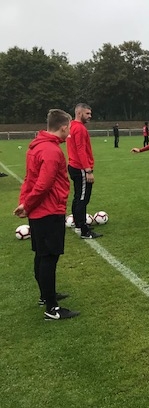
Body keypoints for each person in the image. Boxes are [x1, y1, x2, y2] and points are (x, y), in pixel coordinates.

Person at [14, 109, 80, 320]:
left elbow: (29, 179)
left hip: (39, 212)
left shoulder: (37, 146)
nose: (69, 131)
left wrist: (24, 203)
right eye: (69, 128)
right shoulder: (51, 151)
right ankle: (52, 309)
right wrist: (28, 204)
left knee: (42, 255)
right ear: (63, 127)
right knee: (49, 258)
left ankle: (46, 295)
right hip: (49, 211)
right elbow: (43, 184)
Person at [67, 103, 102, 239]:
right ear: (79, 113)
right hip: (80, 168)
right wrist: (88, 170)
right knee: (82, 198)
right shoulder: (80, 128)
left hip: (73, 166)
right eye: (87, 113)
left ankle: (78, 224)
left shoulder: (71, 126)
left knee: (78, 197)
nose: (90, 116)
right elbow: (81, 150)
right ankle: (83, 230)